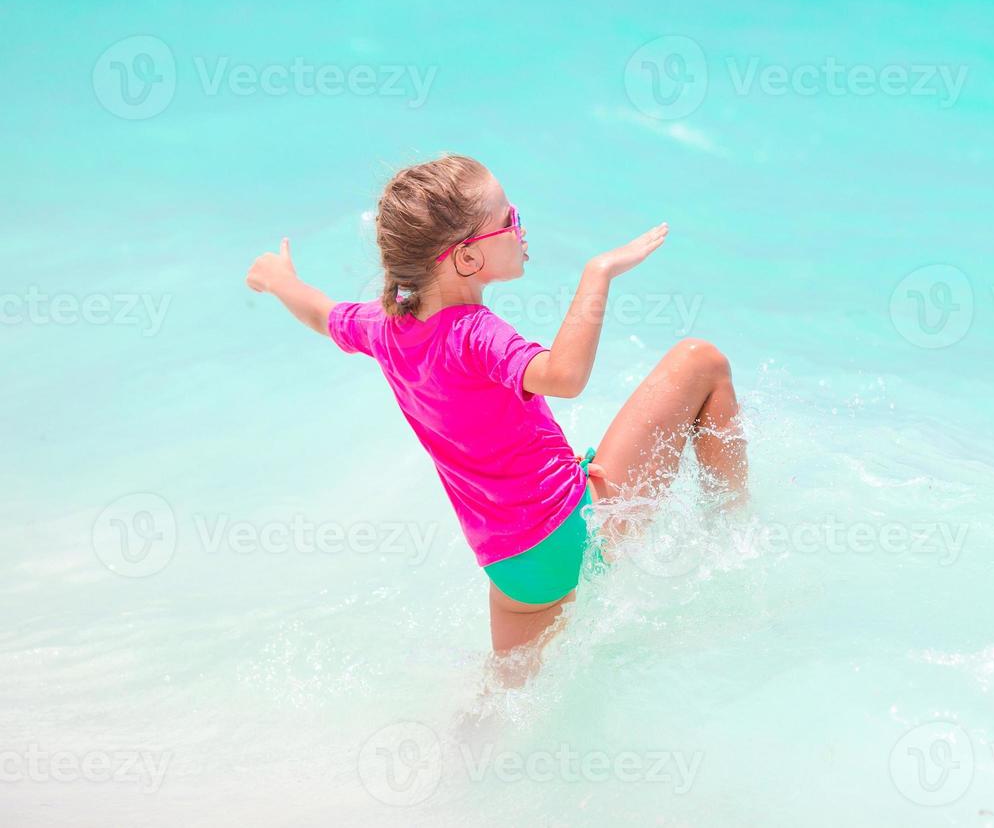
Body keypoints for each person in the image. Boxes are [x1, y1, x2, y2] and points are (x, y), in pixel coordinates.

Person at [245, 154, 746, 671]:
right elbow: (565, 376)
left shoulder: (385, 330)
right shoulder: (474, 333)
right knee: (702, 361)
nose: (521, 228)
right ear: (465, 258)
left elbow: (322, 315)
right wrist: (599, 273)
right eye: (509, 220)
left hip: (512, 570)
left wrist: (278, 279)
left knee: (506, 705)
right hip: (571, 530)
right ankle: (735, 538)